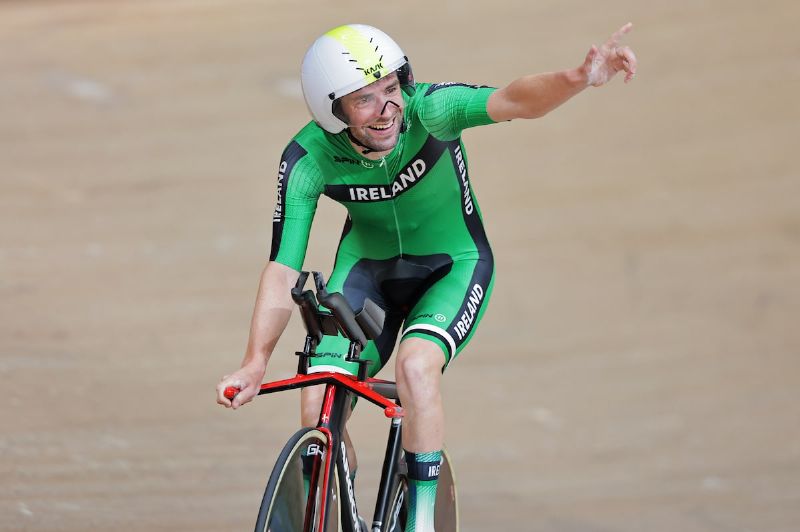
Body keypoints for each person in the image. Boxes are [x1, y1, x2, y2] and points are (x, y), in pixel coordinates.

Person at [217, 22, 637, 531]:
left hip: (452, 265)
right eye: (365, 99)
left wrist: (577, 77)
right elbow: (283, 268)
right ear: (333, 112)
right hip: (368, 273)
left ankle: (419, 520)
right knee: (317, 399)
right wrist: (255, 360)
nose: (387, 108)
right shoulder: (307, 160)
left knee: (417, 368)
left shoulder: (432, 111)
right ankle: (333, 503)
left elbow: (515, 100)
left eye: (391, 89)